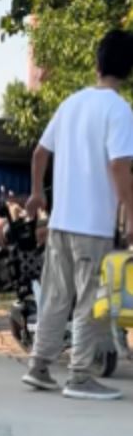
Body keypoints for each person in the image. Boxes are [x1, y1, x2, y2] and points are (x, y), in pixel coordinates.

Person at [22, 29, 133, 400]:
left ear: (97, 63)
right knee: (90, 299)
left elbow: (40, 153)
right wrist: (130, 213)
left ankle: (39, 367)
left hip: (61, 221)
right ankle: (80, 376)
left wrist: (38, 193)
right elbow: (120, 167)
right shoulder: (119, 110)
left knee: (55, 295)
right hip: (92, 225)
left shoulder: (71, 103)